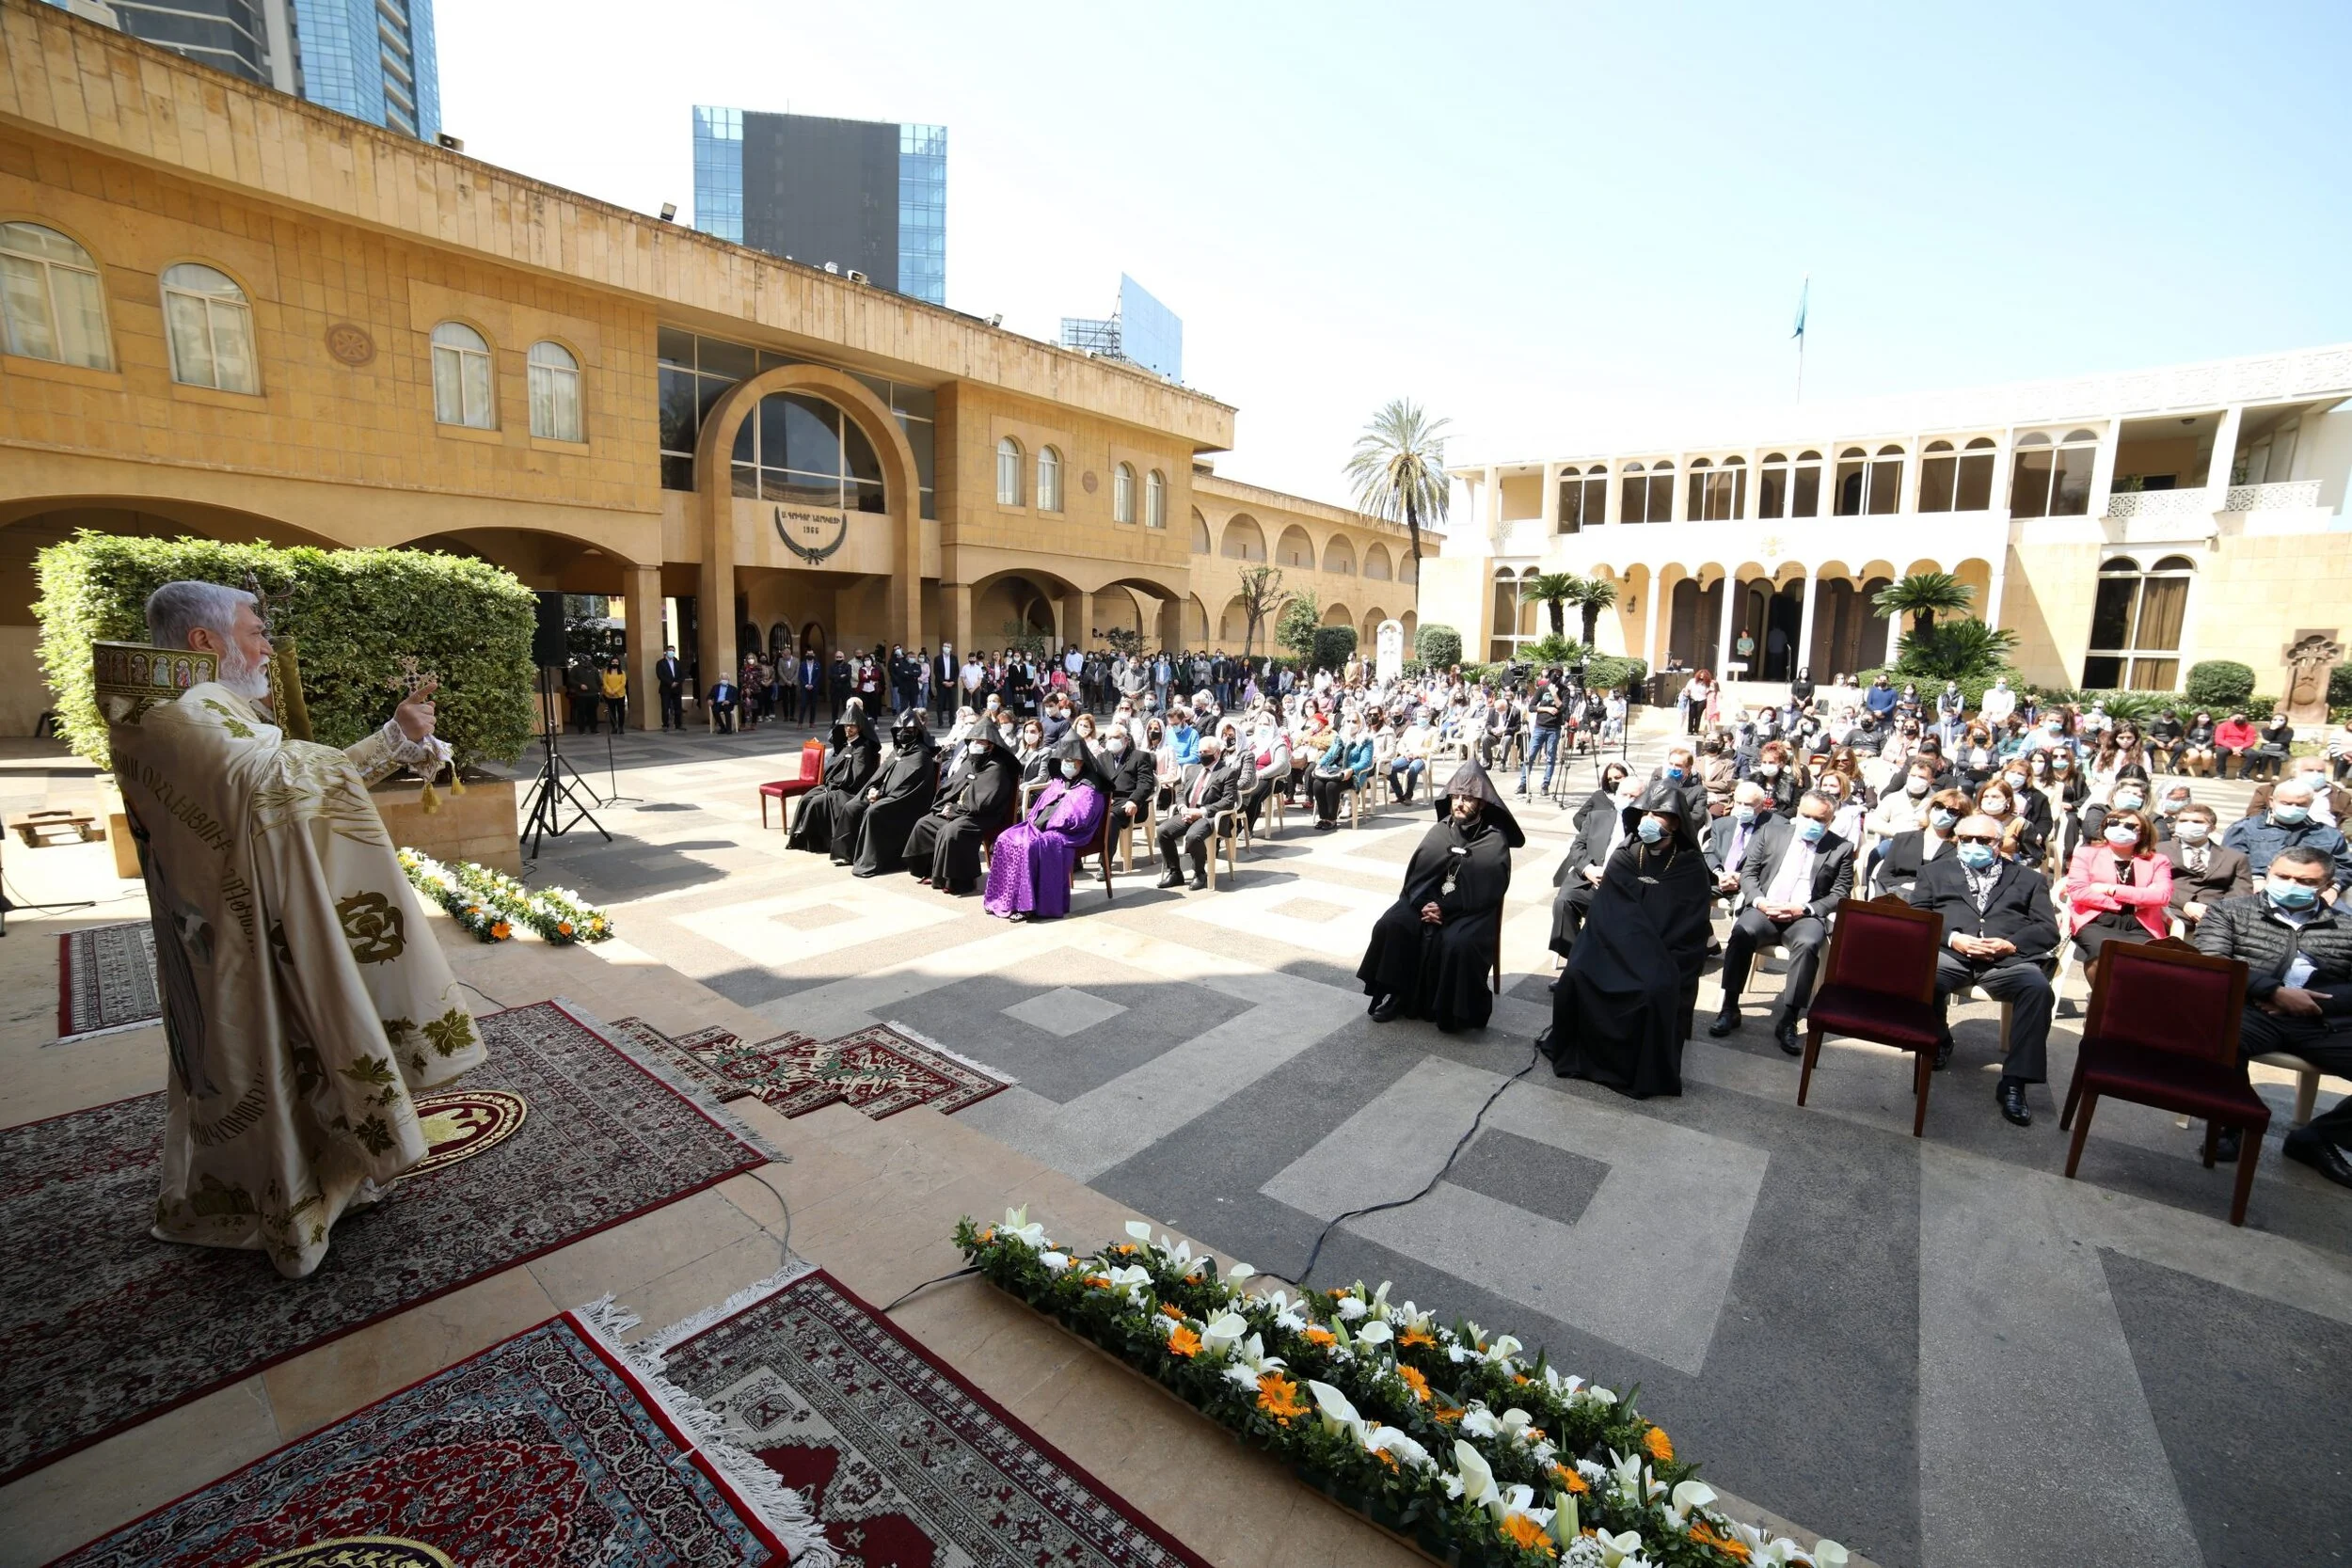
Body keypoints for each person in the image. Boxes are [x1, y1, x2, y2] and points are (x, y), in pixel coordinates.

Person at [115, 580, 485, 1278]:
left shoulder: (175, 706)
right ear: (205, 641)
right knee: (258, 1058)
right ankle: (276, 1206)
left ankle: (320, 1181)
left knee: (293, 1051)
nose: (263, 645)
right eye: (254, 631)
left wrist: (391, 743)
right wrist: (394, 738)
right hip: (235, 938)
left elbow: (276, 785)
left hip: (237, 921)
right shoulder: (179, 713)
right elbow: (282, 783)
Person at [2192, 847, 2352, 1185]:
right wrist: (2273, 991)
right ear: (2270, 873)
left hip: (2322, 1020)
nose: (2291, 884)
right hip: (2251, 1009)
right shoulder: (2229, 912)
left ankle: (2317, 1138)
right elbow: (2214, 963)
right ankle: (2231, 1125)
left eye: (2305, 881)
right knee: (2217, 1038)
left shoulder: (2346, 926)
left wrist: (2316, 1003)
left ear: (2325, 885)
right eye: (2283, 876)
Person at [1544, 779, 1713, 1098]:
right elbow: (1606, 913)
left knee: (1651, 991)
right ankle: (1583, 1055)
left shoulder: (1691, 867)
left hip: (1664, 953)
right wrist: (1621, 947)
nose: (1648, 819)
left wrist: (1650, 953)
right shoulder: (1625, 856)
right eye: (1645, 812)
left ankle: (1637, 1071)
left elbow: (1690, 926)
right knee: (1576, 975)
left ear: (1676, 823)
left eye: (1658, 814)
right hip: (1614, 947)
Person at [1906, 813, 2061, 1128]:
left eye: (1983, 840)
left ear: (1998, 843)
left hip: (2005, 960)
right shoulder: (1934, 872)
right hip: (1952, 955)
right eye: (1966, 839)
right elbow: (1918, 916)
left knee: (2037, 989)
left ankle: (2015, 1082)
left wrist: (2011, 944)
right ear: (1956, 840)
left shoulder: (2028, 879)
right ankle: (1938, 1039)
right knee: (1923, 975)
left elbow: (2048, 930)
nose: (1974, 845)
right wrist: (1954, 938)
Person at [1358, 761, 1521, 1033]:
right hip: (1424, 902)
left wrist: (1446, 909)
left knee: (1459, 942)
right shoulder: (1439, 830)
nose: (1459, 803)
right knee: (1392, 924)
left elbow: (1489, 888)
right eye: (1456, 797)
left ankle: (1450, 1010)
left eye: (1467, 798)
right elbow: (1417, 876)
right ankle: (1398, 995)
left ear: (1481, 803)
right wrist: (1426, 904)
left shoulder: (1494, 840)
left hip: (1469, 910)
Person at [1710, 789, 1856, 1054]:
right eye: (1805, 816)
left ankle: (1789, 1019)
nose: (1810, 823)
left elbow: (1840, 893)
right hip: (1765, 907)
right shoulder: (1772, 833)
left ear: (1830, 820)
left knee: (1809, 943)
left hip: (1803, 913)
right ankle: (1729, 1007)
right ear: (1797, 813)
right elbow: (1749, 873)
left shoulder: (1841, 848)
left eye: (1819, 819)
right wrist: (1759, 901)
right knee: (1742, 932)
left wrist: (1804, 908)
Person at [984, 736, 1109, 921]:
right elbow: (1040, 807)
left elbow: (1080, 818)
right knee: (1006, 837)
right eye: (1063, 760)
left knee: (1030, 846)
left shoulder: (1090, 787)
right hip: (1040, 827)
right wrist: (1036, 822)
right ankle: (1005, 899)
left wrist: (1049, 824)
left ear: (1082, 762)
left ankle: (1028, 906)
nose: (1066, 764)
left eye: (1071, 760)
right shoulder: (1058, 781)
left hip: (1068, 833)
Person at [906, 723, 1019, 893]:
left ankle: (958, 881)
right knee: (924, 824)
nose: (975, 744)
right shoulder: (969, 762)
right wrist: (945, 806)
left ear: (991, 745)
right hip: (959, 811)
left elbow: (985, 802)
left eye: (980, 741)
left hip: (984, 816)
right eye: (973, 740)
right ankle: (931, 871)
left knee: (953, 831)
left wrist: (955, 811)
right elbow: (950, 787)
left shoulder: (996, 767)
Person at [2063, 808, 2171, 964]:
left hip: (2140, 923)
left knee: (2139, 961)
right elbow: (2078, 891)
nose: (2120, 828)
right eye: (2113, 823)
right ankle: (2102, 990)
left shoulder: (2158, 860)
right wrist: (2134, 899)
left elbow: (2162, 896)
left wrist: (2111, 889)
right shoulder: (2086, 853)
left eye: (2130, 826)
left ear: (2144, 832)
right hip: (2096, 919)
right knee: (2101, 955)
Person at [1549, 761, 1633, 956]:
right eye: (1624, 794)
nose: (1627, 799)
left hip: (1623, 888)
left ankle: (1590, 965)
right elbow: (1577, 846)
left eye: (1633, 796)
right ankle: (1575, 960)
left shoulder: (1644, 828)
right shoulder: (1597, 817)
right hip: (1590, 880)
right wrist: (1588, 869)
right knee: (1563, 902)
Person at [847, 712, 939, 876]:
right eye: (899, 729)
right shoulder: (898, 751)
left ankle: (873, 860)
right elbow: (879, 774)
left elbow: (907, 787)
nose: (901, 733)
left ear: (916, 732)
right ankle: (854, 854)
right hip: (885, 794)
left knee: (873, 811)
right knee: (853, 806)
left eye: (907, 730)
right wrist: (871, 789)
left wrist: (880, 795)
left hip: (906, 803)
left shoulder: (921, 756)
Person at [2223, 778, 2352, 893]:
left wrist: (2334, 888)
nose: (2294, 808)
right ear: (2272, 801)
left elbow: (2345, 867)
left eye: (2300, 805)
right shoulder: (2245, 828)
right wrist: (2255, 878)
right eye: (2287, 803)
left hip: (2311, 892)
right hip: (2253, 890)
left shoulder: (2328, 835)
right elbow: (2231, 861)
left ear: (2310, 804)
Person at [786, 699, 880, 853]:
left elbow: (857, 775)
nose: (848, 729)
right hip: (833, 785)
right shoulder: (846, 745)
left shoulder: (863, 748)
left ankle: (816, 842)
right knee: (805, 799)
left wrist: (834, 785)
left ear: (859, 727)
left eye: (852, 726)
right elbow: (833, 768)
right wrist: (829, 781)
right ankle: (800, 837)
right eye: (846, 726)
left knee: (817, 802)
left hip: (848, 790)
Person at [1156, 732, 1243, 890]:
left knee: (1193, 836)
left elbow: (1228, 801)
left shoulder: (1227, 773)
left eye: (1206, 752)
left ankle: (1200, 873)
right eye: (1200, 752)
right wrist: (1182, 808)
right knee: (1163, 831)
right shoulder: (1193, 770)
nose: (1202, 755)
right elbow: (1181, 792)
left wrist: (1201, 811)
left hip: (1209, 816)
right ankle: (1175, 873)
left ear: (1217, 753)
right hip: (1188, 811)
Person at [1874, 788, 1969, 898]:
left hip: (1935, 904)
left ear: (1960, 817)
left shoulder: (1959, 849)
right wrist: (1902, 888)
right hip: (1898, 899)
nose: (1943, 812)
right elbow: (1884, 876)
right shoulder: (1903, 839)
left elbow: (1957, 886)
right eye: (1939, 806)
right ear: (1931, 807)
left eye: (1952, 811)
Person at [1310, 716, 1375, 830]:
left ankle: (1331, 819)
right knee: (1317, 784)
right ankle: (1323, 817)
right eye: (1348, 721)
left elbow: (1365, 762)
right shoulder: (1340, 738)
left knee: (1331, 786)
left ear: (1361, 724)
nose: (1350, 724)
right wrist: (1319, 765)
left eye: (1354, 721)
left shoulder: (1366, 740)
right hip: (1334, 771)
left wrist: (1351, 770)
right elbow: (1329, 755)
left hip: (1352, 774)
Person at [2211, 711, 2259, 779]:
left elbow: (2250, 741)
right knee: (2221, 752)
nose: (2241, 719)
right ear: (2231, 718)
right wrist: (2232, 747)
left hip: (2242, 747)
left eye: (2243, 717)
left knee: (2253, 754)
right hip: (2226, 745)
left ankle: (2243, 774)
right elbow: (2219, 739)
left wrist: (2241, 747)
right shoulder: (2223, 726)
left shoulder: (2249, 727)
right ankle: (2220, 774)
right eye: (2238, 717)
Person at [656, 645, 685, 730]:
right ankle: (665, 725)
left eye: (673, 650)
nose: (671, 652)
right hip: (666, 689)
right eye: (670, 650)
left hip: (677, 689)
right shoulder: (660, 663)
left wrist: (677, 682)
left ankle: (678, 724)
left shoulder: (677, 662)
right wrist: (670, 683)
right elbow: (660, 675)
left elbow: (682, 675)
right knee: (665, 707)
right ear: (666, 651)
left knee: (678, 708)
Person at [706, 669, 739, 733]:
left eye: (725, 679)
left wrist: (729, 701)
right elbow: (710, 695)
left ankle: (729, 729)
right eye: (723, 679)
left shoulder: (733, 688)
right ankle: (722, 727)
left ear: (728, 680)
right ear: (720, 679)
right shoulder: (715, 687)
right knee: (714, 710)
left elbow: (735, 699)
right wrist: (709, 699)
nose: (724, 680)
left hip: (727, 703)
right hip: (718, 703)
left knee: (727, 710)